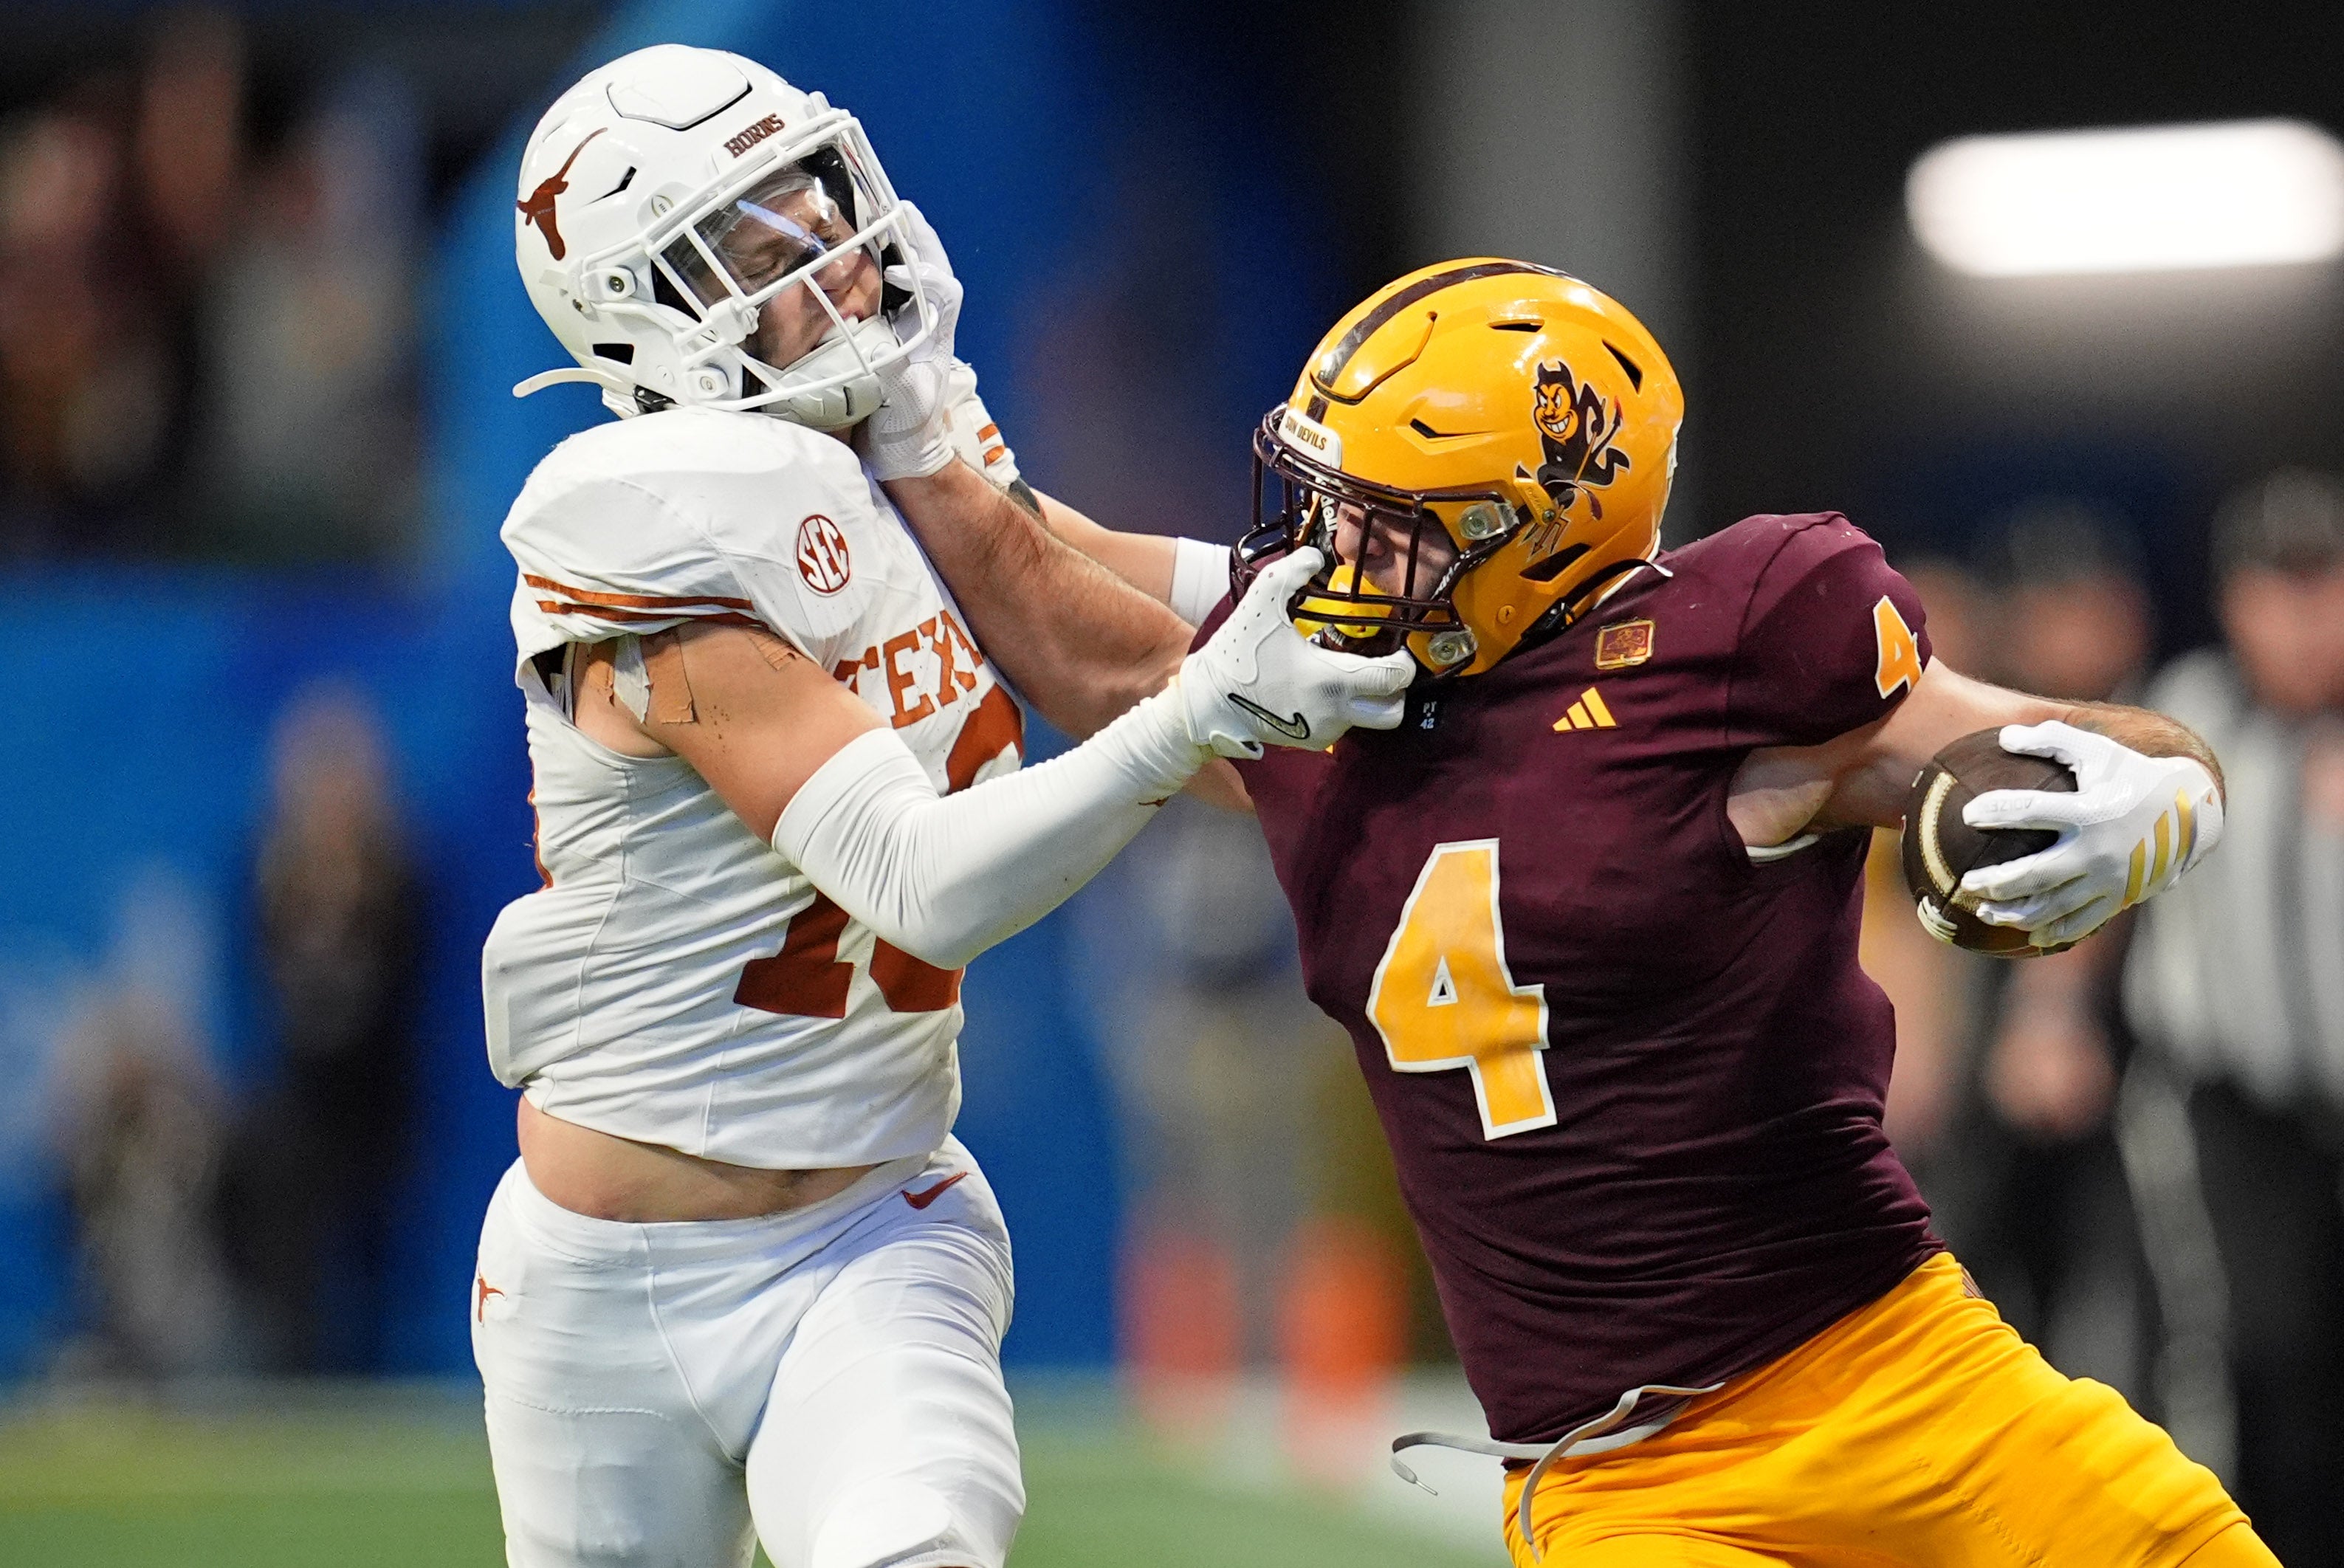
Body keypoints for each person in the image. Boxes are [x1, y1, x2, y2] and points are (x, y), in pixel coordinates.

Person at [900, 260, 2274, 1565]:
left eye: (1387, 521)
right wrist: (911, 438)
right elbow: (1086, 628)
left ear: (1545, 526)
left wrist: (2173, 789)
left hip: (1892, 1375)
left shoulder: (1726, 648)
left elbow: (2086, 740)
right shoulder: (1318, 695)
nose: (1328, 550)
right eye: (1332, 502)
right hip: (1615, 1470)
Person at [477, 44, 1412, 1568]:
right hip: (600, 1285)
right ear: (643, 310)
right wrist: (1198, 711)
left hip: (868, 1229)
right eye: (759, 243)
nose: (832, 261)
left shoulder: (887, 450)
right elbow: (916, 879)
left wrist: (1358, 617)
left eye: (815, 201)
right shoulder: (655, 547)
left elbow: (1079, 569)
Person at [2123, 470, 2344, 1565]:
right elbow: (2098, 883)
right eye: (2278, 589)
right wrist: (2050, 1019)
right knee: (2251, 1352)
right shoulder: (2188, 718)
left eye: (2325, 585)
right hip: (2231, 1105)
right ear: (2233, 602)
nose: (2304, 619)